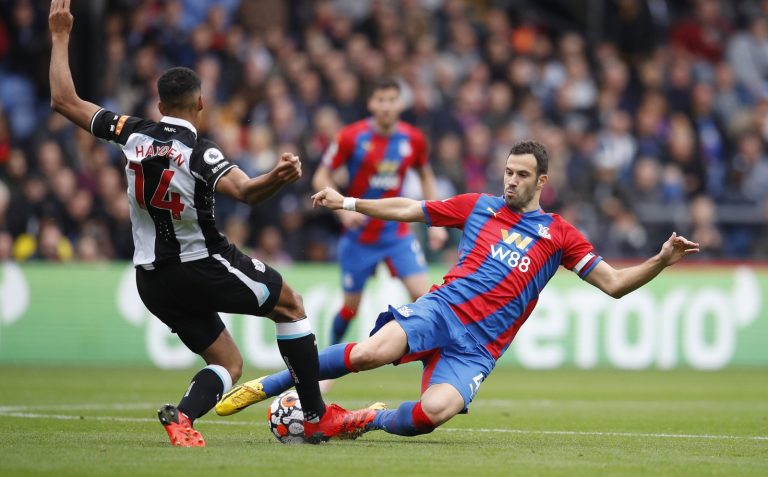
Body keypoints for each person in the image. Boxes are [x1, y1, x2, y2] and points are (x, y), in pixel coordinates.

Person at [47, 0, 375, 446]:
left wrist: (60, 36)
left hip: (151, 278)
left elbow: (64, 100)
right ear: (201, 104)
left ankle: (182, 418)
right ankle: (316, 415)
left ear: (159, 105)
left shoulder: (131, 133)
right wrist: (278, 176)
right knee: (291, 305)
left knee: (227, 362)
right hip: (201, 263)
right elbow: (247, 192)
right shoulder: (200, 152)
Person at [215, 140, 700, 438]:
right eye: (508, 172)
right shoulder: (479, 206)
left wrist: (660, 260)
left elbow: (613, 284)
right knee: (370, 353)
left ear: (542, 182)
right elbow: (411, 209)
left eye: (522, 175)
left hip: (480, 346)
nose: (511, 181)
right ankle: (270, 384)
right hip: (441, 309)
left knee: (432, 414)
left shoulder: (560, 235)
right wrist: (349, 202)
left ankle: (356, 420)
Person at [311, 78, 448, 347]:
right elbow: (320, 176)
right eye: (380, 100)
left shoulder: (413, 139)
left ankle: (433, 359)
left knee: (424, 298)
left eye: (391, 100)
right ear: (371, 103)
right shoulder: (351, 137)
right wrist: (343, 212)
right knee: (350, 309)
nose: (386, 106)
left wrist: (437, 222)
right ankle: (327, 358)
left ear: (400, 104)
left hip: (396, 234)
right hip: (359, 236)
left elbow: (426, 176)